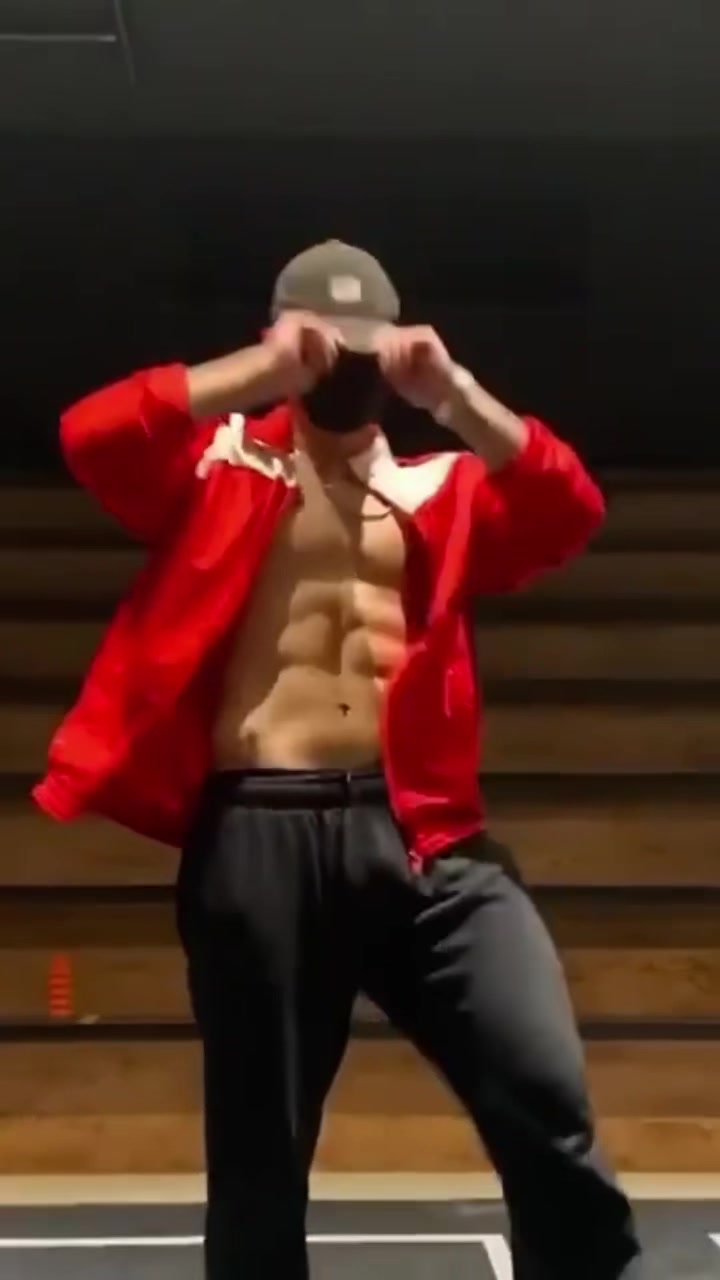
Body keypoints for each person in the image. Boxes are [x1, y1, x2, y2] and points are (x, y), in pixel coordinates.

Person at [35, 240, 644, 1278]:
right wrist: (259, 371)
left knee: (544, 1092)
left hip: (424, 838)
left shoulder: (439, 482)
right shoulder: (219, 461)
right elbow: (93, 435)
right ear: (282, 335)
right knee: (259, 1159)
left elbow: (568, 509)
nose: (340, 365)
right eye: (319, 344)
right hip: (258, 831)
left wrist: (455, 394)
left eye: (359, 347)